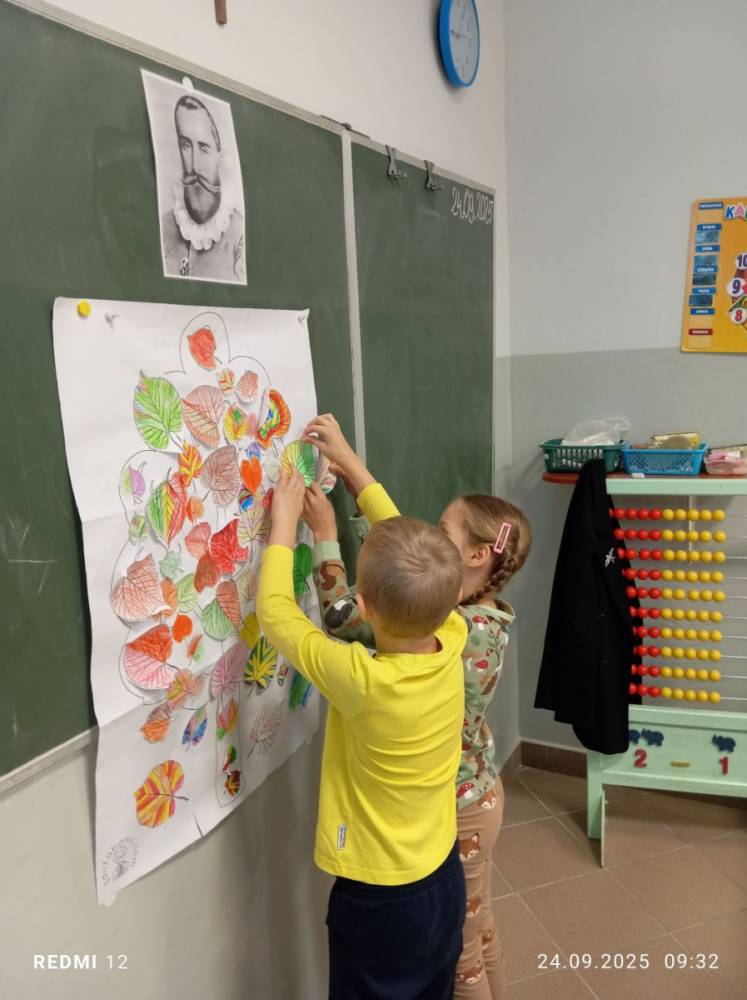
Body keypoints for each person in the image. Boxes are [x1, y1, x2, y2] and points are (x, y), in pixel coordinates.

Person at [302, 418, 531, 1000]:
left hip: (460, 809)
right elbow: (404, 544)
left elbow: (343, 620)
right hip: (478, 793)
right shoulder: (480, 616)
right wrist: (353, 468)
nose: (428, 536)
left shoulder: (454, 630)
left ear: (474, 555)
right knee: (479, 929)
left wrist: (325, 537)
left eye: (441, 532)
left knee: (462, 959)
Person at [256, 429, 468, 1000]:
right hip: (442, 877)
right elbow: (416, 557)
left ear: (364, 607)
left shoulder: (364, 680)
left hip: (379, 896)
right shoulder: (453, 632)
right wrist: (354, 468)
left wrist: (283, 524)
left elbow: (276, 614)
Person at [161, 94, 245, 282]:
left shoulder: (240, 234)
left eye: (204, 148)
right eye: (186, 146)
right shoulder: (163, 227)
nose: (194, 165)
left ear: (219, 155)